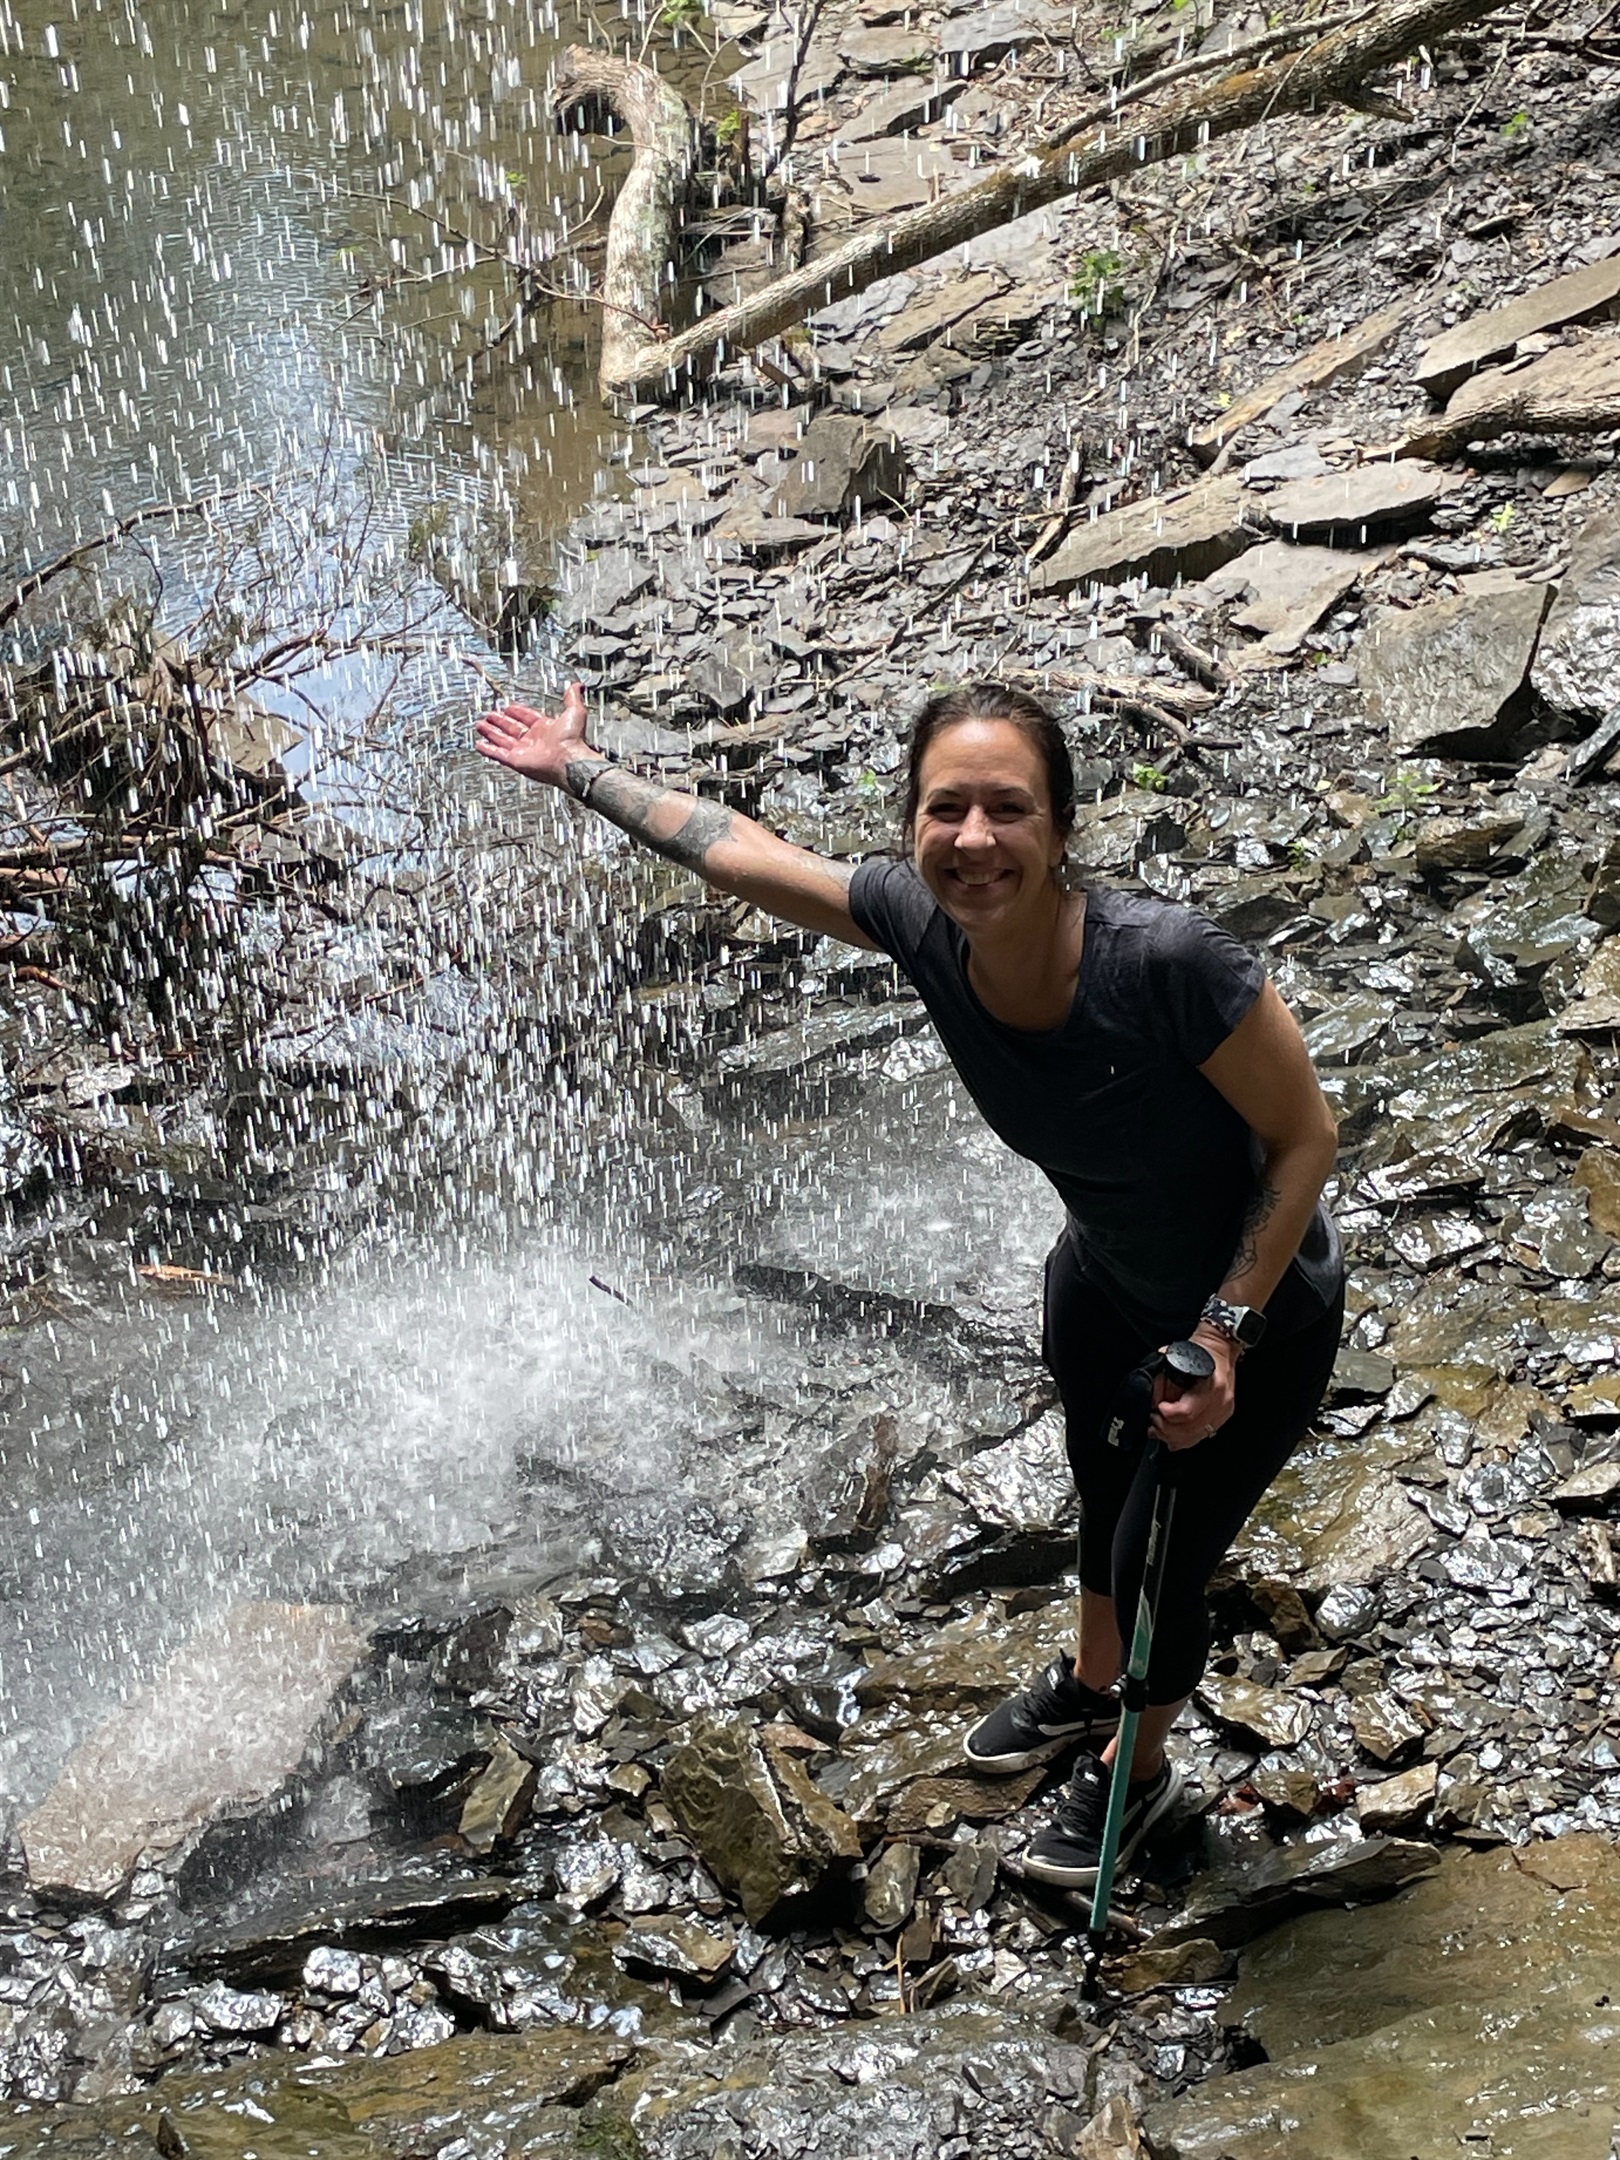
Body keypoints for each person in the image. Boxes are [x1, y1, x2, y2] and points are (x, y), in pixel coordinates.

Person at [475, 679, 1344, 1890]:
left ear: (1061, 828)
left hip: (1256, 1320)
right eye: (947, 810)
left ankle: (1138, 1783)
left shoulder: (1171, 965)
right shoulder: (924, 926)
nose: (975, 840)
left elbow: (1306, 1138)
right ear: (912, 825)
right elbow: (745, 854)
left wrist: (1224, 1335)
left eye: (1008, 810)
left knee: (1162, 1560)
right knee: (1104, 1510)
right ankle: (1089, 1690)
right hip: (1098, 1285)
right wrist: (578, 769)